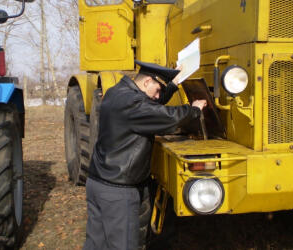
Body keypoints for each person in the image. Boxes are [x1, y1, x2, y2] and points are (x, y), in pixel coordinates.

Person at [83, 60, 207, 250]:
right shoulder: (133, 104)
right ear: (147, 81)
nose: (158, 96)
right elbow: (166, 116)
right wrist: (194, 110)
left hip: (97, 183)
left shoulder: (116, 92)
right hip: (118, 192)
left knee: (96, 244)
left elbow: (151, 105)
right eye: (157, 90)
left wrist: (172, 85)